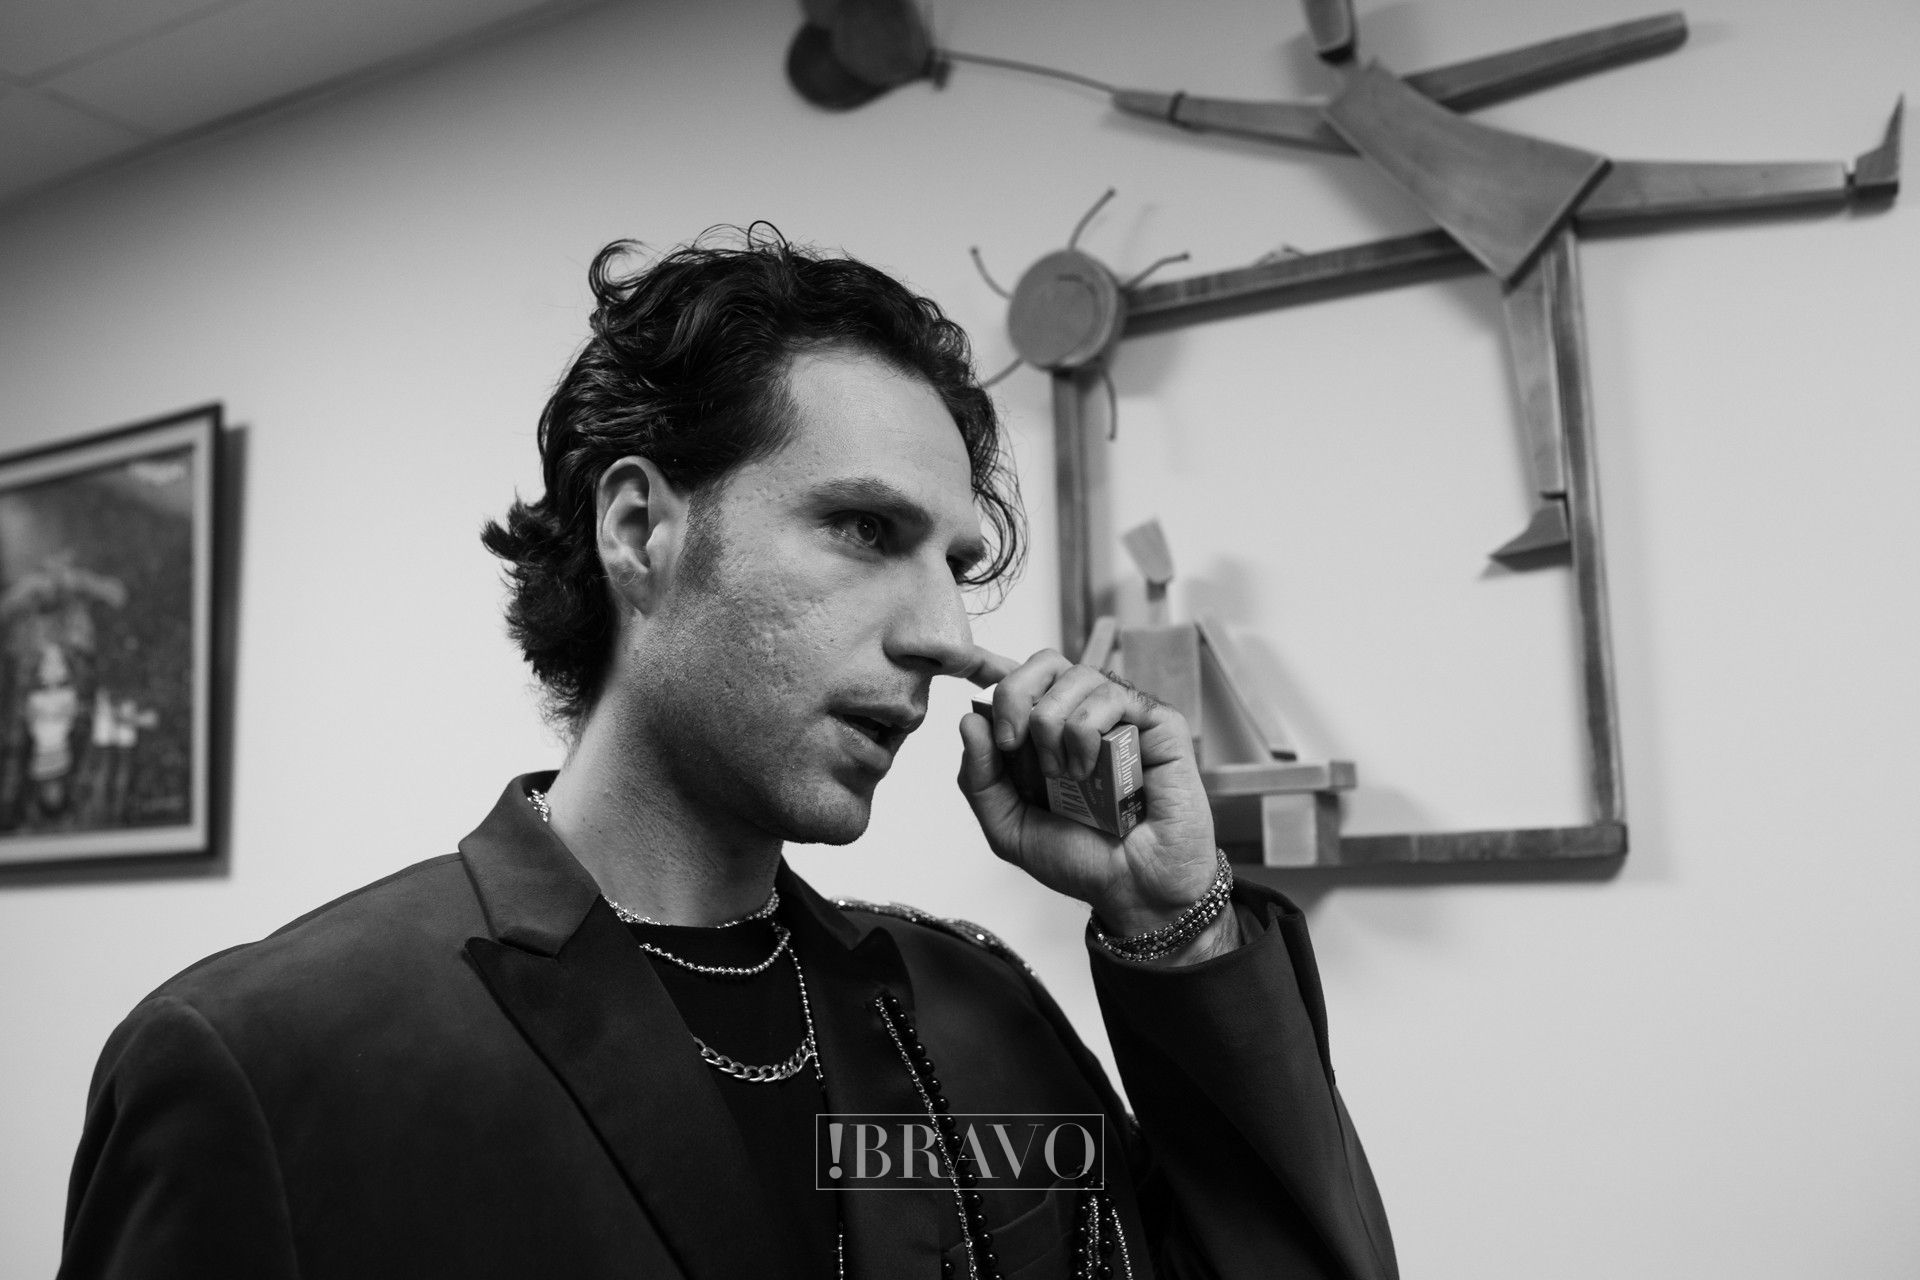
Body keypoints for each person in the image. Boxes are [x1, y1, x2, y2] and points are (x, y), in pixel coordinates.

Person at [57, 230, 1397, 1280]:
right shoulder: (268, 1063)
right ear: (641, 530)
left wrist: (1171, 924)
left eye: (956, 564)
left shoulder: (971, 1017)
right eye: (866, 531)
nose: (943, 635)